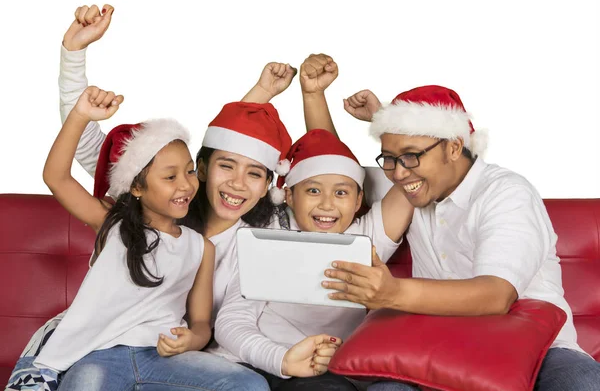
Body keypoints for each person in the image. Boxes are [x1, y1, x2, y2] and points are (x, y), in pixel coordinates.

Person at [322, 86, 600, 390]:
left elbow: (496, 295)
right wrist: (319, 95)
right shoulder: (410, 189)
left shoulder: (506, 193)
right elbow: (329, 174)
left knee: (582, 382)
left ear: (454, 148)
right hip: (437, 344)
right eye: (389, 159)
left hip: (537, 348)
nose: (398, 173)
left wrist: (392, 293)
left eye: (410, 157)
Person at [24, 85, 267, 391]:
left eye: (190, 172)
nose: (186, 185)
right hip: (99, 355)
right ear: (136, 188)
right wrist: (80, 115)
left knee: (249, 385)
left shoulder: (199, 247)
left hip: (163, 359)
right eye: (170, 177)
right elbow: (56, 177)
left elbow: (202, 323)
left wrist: (193, 339)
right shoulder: (113, 226)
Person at [213, 55, 413, 391]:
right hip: (268, 364)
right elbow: (232, 322)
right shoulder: (267, 235)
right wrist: (283, 357)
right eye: (313, 190)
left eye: (341, 192)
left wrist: (382, 119)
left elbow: (415, 174)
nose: (326, 204)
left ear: (359, 199)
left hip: (342, 370)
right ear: (289, 196)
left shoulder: (367, 235)